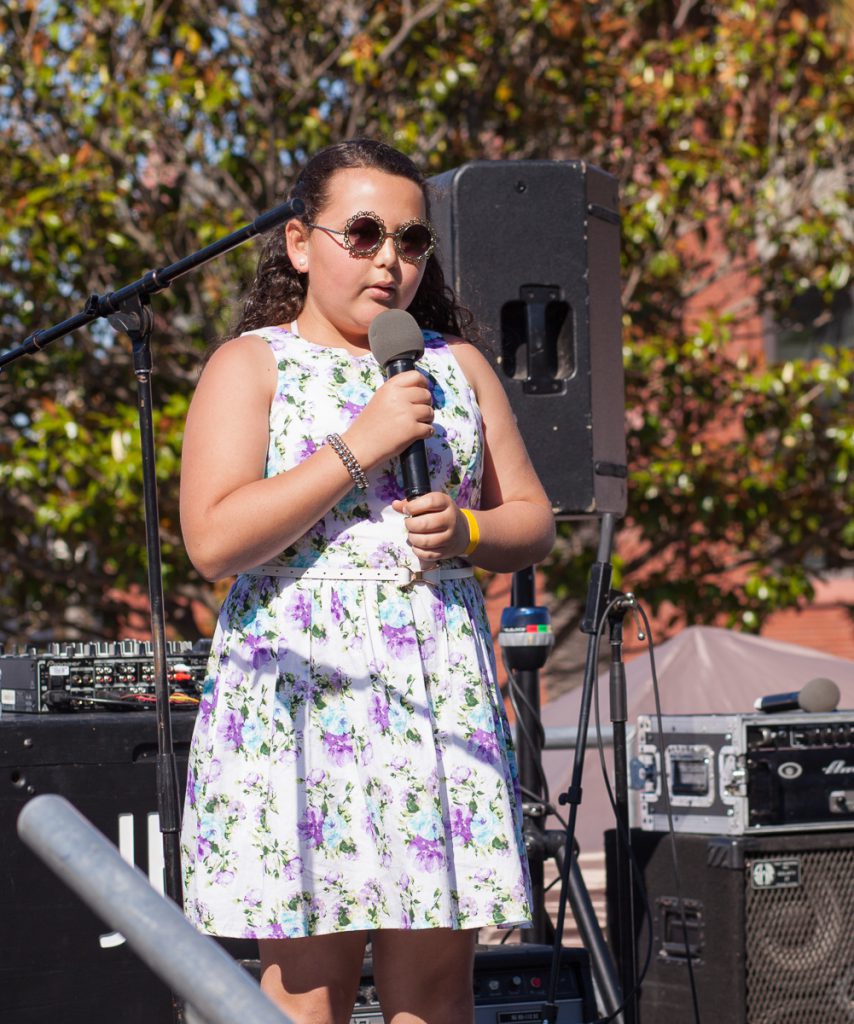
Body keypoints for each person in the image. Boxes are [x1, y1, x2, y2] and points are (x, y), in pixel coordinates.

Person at [179, 138, 556, 1024]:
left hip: (435, 689)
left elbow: (532, 519)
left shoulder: (456, 366)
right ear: (302, 244)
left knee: (435, 994)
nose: (392, 259)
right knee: (308, 995)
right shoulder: (251, 363)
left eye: (412, 239)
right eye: (364, 232)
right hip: (302, 696)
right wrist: (360, 445)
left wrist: (467, 529)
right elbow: (213, 540)